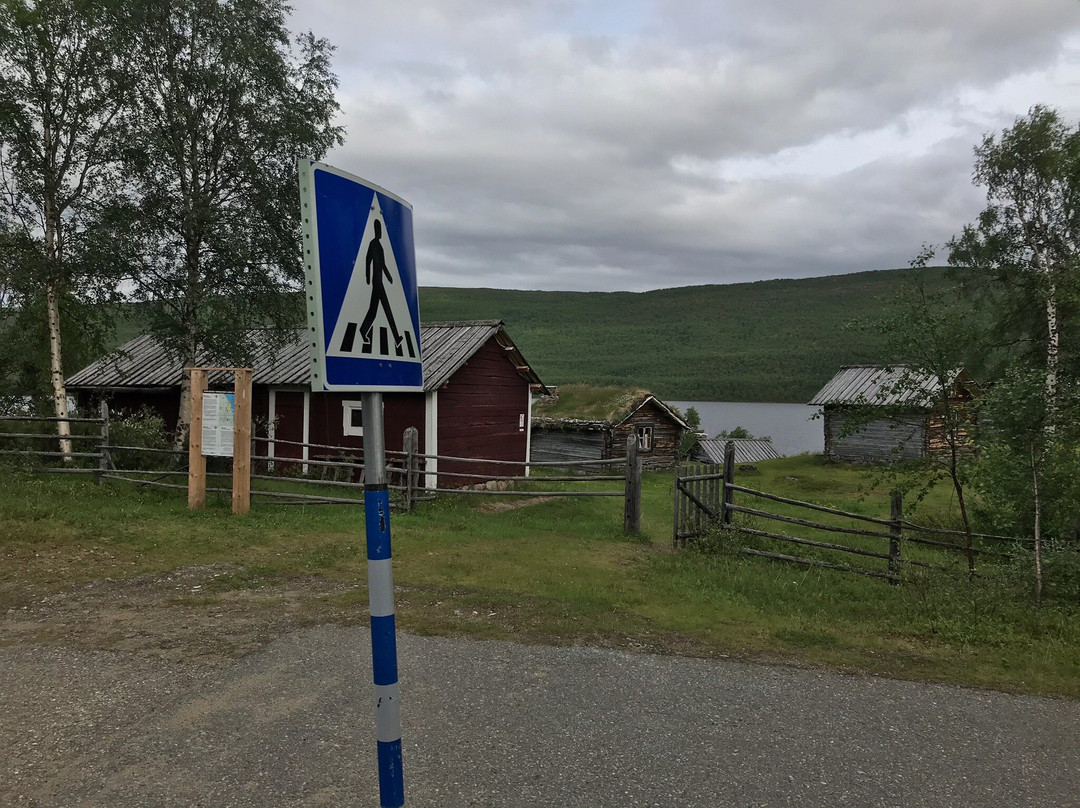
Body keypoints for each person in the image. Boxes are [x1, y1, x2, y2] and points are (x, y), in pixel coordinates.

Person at [358, 219, 402, 350]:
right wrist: (367, 277)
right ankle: (396, 337)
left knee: (373, 311)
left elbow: (382, 264)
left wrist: (389, 276)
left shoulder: (379, 245)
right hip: (377, 282)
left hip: (379, 281)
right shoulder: (373, 244)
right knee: (387, 310)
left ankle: (363, 330)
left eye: (381, 229)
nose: (380, 232)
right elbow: (368, 260)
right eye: (379, 229)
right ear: (376, 230)